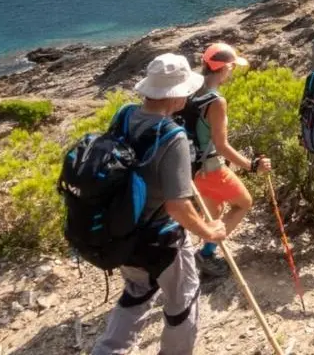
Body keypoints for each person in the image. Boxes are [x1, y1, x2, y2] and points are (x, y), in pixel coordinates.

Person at [93, 53, 227, 355]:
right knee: (184, 300)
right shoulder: (173, 137)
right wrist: (209, 231)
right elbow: (177, 207)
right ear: (177, 95)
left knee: (137, 291)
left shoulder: (125, 114)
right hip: (159, 238)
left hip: (120, 229)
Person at [186, 43, 272, 279]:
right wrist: (252, 166)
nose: (232, 73)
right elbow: (222, 146)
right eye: (232, 68)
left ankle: (202, 255)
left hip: (191, 169)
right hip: (211, 168)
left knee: (214, 210)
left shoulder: (190, 89)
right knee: (243, 203)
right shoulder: (216, 101)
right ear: (225, 68)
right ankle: (206, 254)